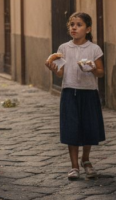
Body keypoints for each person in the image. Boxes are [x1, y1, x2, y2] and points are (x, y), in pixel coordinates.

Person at [45, 12, 105, 180]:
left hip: (89, 92)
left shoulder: (94, 49)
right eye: (72, 24)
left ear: (88, 29)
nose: (74, 28)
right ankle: (74, 166)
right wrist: (53, 68)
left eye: (79, 25)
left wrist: (92, 68)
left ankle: (86, 159)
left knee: (88, 127)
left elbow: (100, 73)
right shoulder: (63, 48)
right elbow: (60, 74)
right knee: (71, 128)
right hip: (69, 91)